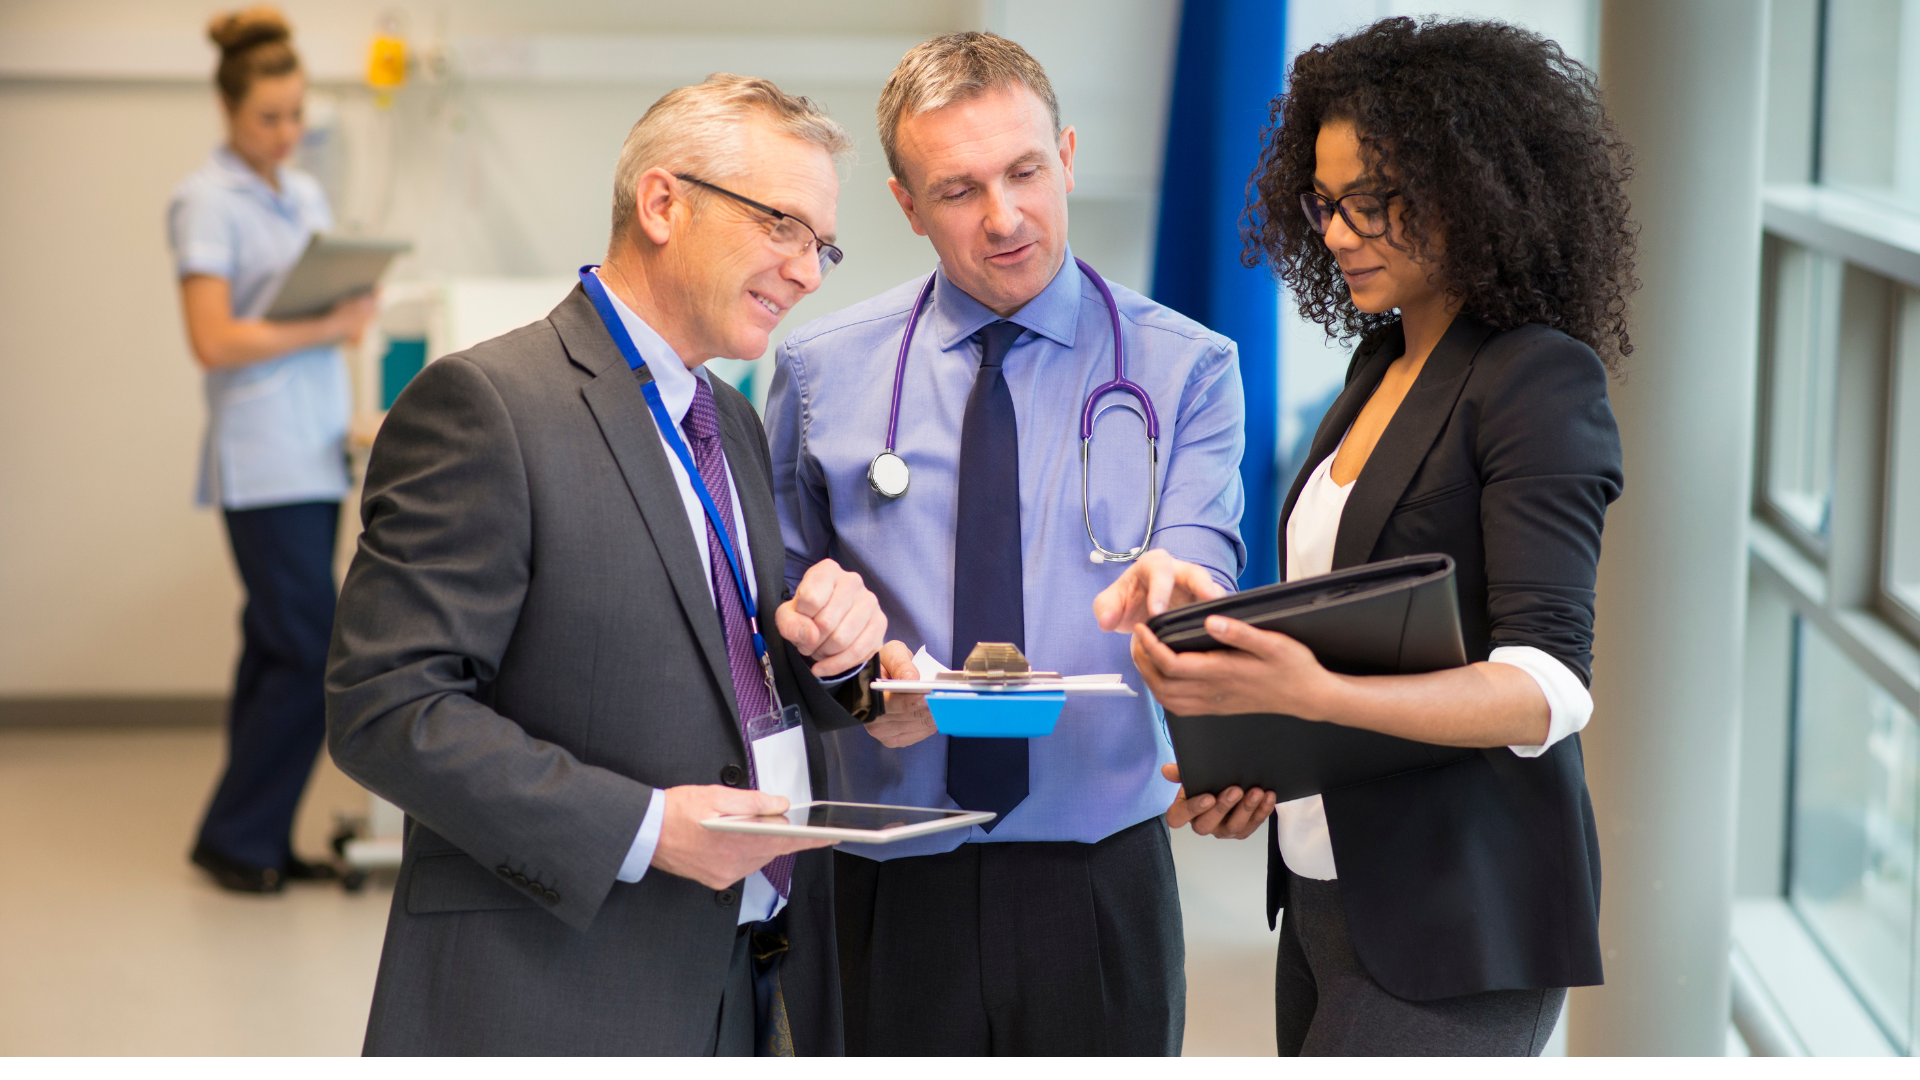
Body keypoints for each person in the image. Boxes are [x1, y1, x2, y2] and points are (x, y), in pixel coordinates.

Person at [325, 74, 901, 1055]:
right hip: (561, 983)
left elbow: (725, 667)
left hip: (736, 971)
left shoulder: (729, 421)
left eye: (824, 245)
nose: (808, 273)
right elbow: (387, 710)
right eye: (783, 227)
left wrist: (831, 655)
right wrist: (645, 827)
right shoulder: (488, 407)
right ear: (663, 203)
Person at [1101, 17, 1634, 1056]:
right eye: (1325, 202)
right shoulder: (1377, 368)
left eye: (1371, 203)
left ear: (1472, 193)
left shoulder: (1536, 378)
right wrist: (1255, 750)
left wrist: (1313, 699)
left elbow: (1546, 687)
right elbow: (1355, 630)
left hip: (1460, 914)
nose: (1339, 234)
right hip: (1325, 893)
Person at [768, 32, 1247, 1056]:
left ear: (1066, 157)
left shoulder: (1187, 368)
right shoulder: (818, 374)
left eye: (1026, 171)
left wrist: (1185, 588)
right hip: (888, 866)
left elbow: (1203, 544)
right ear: (904, 204)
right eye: (958, 189)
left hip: (1098, 870)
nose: (1004, 217)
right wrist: (859, 682)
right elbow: (777, 601)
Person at [167, 6, 375, 894]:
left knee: (270, 649)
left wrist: (345, 318)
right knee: (309, 650)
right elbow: (212, 339)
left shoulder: (305, 193)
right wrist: (326, 321)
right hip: (259, 459)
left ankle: (245, 837)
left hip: (312, 449)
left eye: (295, 114)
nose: (286, 133)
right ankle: (238, 832)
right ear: (228, 109)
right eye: (268, 117)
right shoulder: (204, 200)